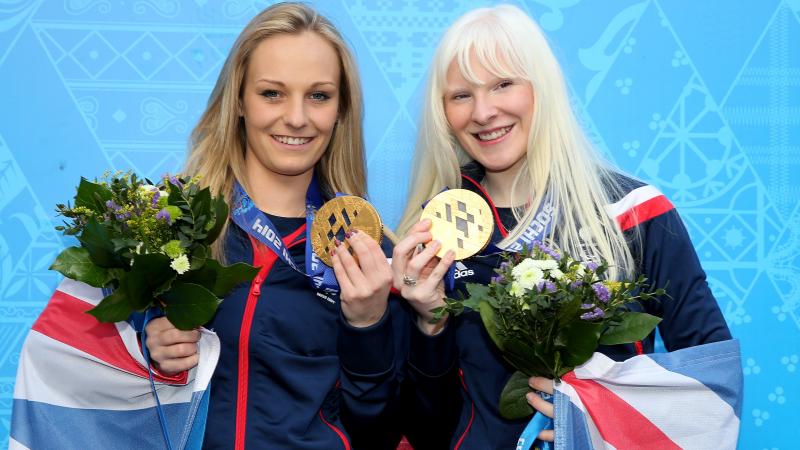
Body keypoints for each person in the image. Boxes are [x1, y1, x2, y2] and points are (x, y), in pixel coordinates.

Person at [392, 4, 733, 449]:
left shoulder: (633, 212)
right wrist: (429, 324)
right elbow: (423, 428)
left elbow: (713, 385)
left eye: (503, 84)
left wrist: (610, 425)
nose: (482, 111)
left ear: (541, 89)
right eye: (461, 95)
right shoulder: (435, 233)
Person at [145, 3, 402, 449]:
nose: (297, 118)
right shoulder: (167, 227)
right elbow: (85, 384)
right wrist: (143, 346)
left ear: (341, 110)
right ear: (239, 101)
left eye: (319, 95)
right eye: (272, 93)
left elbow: (382, 432)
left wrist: (368, 325)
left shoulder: (371, 255)